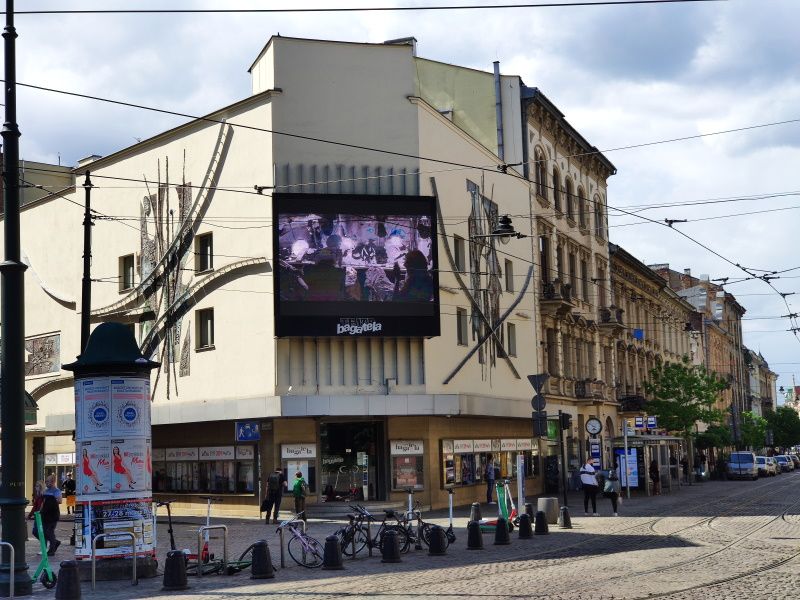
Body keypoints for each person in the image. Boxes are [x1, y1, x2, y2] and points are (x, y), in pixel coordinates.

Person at [41, 474, 62, 556]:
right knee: (46, 532)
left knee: (49, 531)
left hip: (53, 514)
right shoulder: (45, 491)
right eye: (45, 481)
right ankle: (55, 542)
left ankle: (52, 549)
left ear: (53, 482)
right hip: (45, 514)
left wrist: (51, 500)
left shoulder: (56, 491)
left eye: (47, 481)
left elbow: (60, 501)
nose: (46, 483)